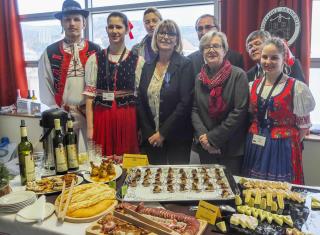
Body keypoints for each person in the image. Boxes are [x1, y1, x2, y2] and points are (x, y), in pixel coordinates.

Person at [242, 37, 315, 184]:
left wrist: (286, 142)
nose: (268, 62)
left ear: (284, 59)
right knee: (254, 191)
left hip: (283, 146)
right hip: (256, 143)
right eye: (265, 57)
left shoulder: (297, 88)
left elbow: (303, 126)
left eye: (274, 58)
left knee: (281, 194)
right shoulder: (251, 86)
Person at [38, 0, 101, 147]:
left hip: (91, 112)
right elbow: (44, 81)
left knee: (95, 152)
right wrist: (57, 110)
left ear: (84, 23)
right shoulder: (50, 52)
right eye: (67, 19)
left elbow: (103, 82)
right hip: (63, 113)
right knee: (64, 155)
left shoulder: (95, 49)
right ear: (61, 23)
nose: (72, 23)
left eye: (76, 19)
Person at [84, 12, 144, 160]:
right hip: (102, 116)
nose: (114, 31)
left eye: (119, 27)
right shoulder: (94, 59)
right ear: (106, 29)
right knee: (103, 163)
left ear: (127, 30)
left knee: (126, 161)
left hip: (127, 117)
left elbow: (141, 98)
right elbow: (89, 98)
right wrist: (90, 128)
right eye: (111, 27)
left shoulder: (138, 61)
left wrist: (141, 126)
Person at [137, 20, 194, 165]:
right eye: (162, 32)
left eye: (171, 33)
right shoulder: (148, 65)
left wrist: (162, 134)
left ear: (177, 40)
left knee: (178, 181)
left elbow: (185, 103)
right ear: (156, 37)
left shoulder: (185, 64)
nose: (166, 37)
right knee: (154, 182)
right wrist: (150, 133)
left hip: (178, 137)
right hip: (151, 138)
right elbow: (140, 101)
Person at [191, 31, 249, 175]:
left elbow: (239, 111)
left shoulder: (238, 75)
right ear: (202, 52)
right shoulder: (199, 78)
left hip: (231, 149)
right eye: (206, 47)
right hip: (205, 148)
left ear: (225, 50)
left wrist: (213, 138)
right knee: (208, 191)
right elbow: (194, 109)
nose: (211, 50)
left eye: (216, 46)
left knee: (229, 193)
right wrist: (205, 139)